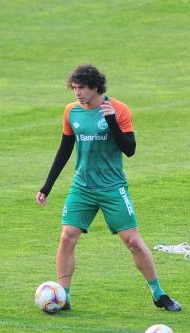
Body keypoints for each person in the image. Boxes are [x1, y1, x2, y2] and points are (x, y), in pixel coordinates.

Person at [36, 64, 181, 312]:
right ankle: (64, 297)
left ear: (95, 87)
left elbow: (130, 149)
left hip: (112, 188)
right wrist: (47, 186)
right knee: (67, 236)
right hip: (82, 187)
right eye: (74, 88)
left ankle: (159, 294)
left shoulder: (119, 110)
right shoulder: (71, 112)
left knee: (132, 240)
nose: (77, 93)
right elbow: (65, 149)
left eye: (81, 88)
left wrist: (111, 120)